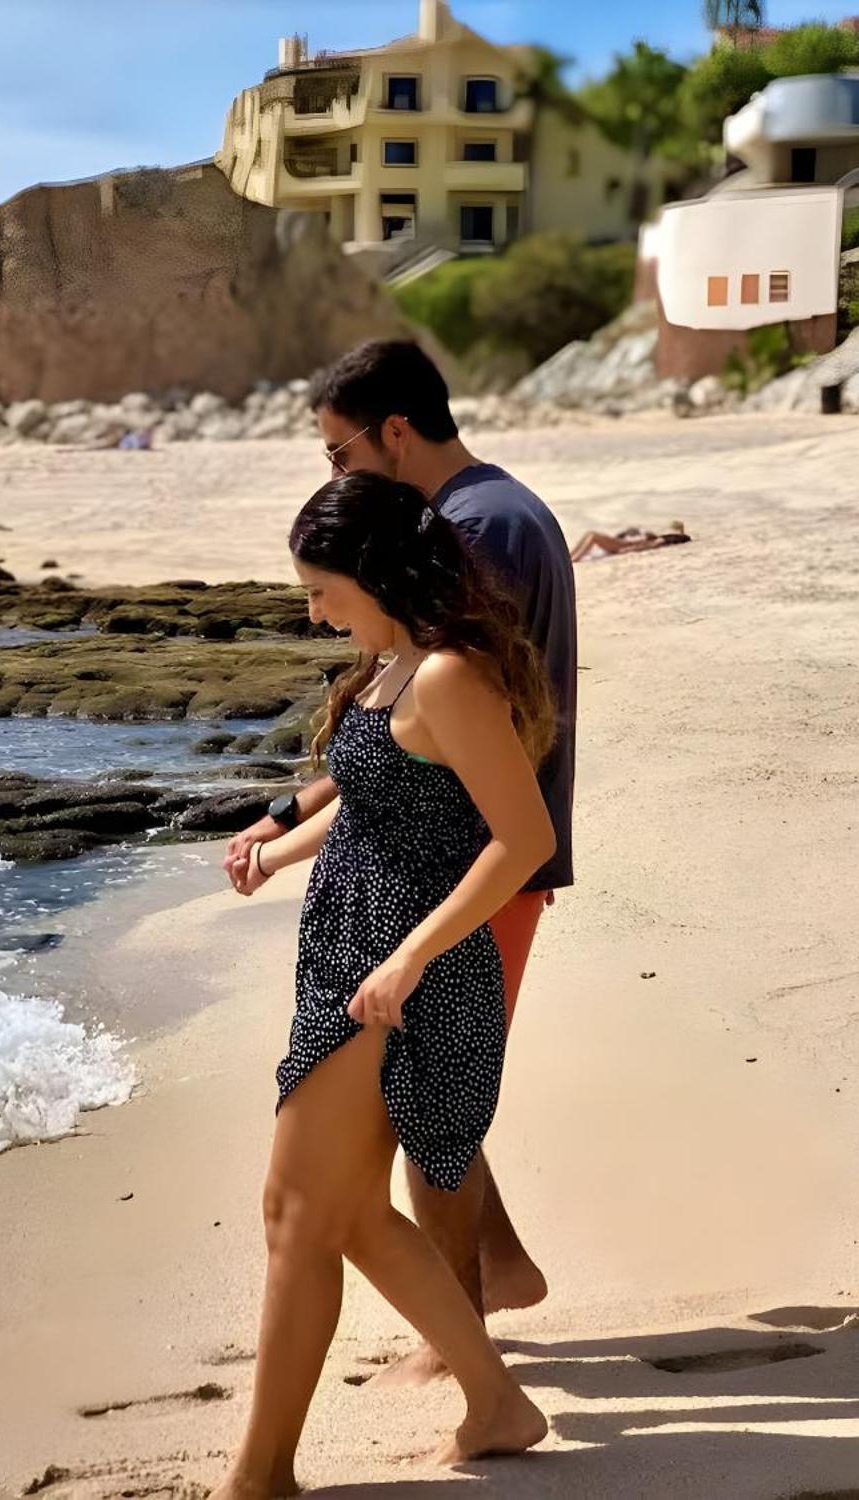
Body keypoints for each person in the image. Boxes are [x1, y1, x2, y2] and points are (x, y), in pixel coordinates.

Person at [227, 340, 576, 1369]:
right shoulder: (484, 516)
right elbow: (397, 738)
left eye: (339, 456)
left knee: (435, 1101)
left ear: (393, 432)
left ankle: (462, 1320)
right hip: (440, 847)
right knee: (437, 1088)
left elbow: (442, 728)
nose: (334, 478)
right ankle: (494, 1272)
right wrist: (290, 815)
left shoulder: (476, 530)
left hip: (468, 860)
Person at [569, 521, 690, 562]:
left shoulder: (658, 539)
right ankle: (570, 556)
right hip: (623, 542)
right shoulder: (655, 536)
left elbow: (646, 545)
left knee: (593, 536)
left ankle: (573, 558)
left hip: (624, 544)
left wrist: (627, 549)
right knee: (591, 535)